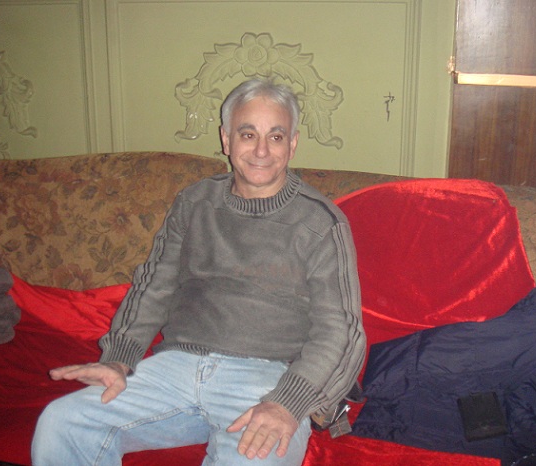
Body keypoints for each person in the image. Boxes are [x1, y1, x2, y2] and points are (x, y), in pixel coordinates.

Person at [31, 78, 366, 466]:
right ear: (226, 140)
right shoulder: (195, 202)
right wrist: (118, 359)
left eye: (275, 137)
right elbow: (154, 285)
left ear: (292, 145)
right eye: (247, 134)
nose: (261, 150)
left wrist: (287, 404)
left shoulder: (321, 223)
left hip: (267, 381)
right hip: (175, 368)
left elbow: (341, 330)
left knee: (254, 459)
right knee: (63, 422)